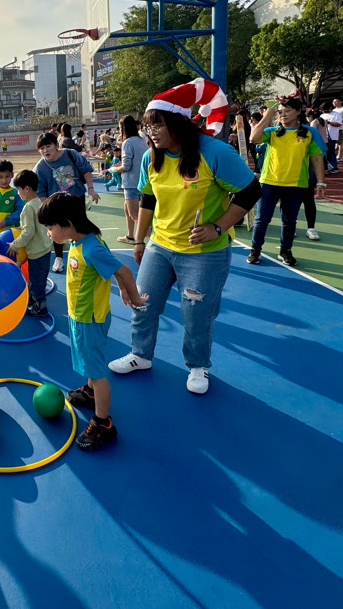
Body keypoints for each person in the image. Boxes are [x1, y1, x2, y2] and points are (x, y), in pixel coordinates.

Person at [107, 81, 261, 394]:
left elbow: (251, 191)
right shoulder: (152, 158)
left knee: (195, 314)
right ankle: (140, 355)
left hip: (205, 253)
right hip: (160, 245)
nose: (151, 132)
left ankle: (197, 366)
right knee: (142, 303)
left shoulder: (215, 152)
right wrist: (140, 240)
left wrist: (217, 227)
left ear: (178, 122)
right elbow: (148, 198)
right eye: (147, 126)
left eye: (157, 125)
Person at [37, 192, 147, 451]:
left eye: (50, 227)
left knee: (97, 373)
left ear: (67, 223)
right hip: (80, 316)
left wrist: (134, 298)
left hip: (90, 320)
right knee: (88, 362)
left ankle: (103, 422)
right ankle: (89, 393)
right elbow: (112, 269)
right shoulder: (80, 241)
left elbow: (124, 270)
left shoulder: (91, 247)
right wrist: (121, 289)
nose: (48, 233)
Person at [247, 97, 327, 267]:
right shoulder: (272, 132)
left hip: (296, 185)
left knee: (289, 221)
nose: (283, 114)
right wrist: (267, 115)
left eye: (288, 110)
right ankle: (255, 250)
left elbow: (317, 157)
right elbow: (253, 138)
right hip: (269, 183)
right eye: (280, 111)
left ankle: (285, 251)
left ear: (298, 112)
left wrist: (321, 182)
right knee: (261, 220)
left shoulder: (309, 133)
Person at [33, 132, 100, 273]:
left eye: (48, 146)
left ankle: (88, 253)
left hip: (76, 198)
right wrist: (47, 207)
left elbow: (86, 169)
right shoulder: (40, 167)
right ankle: (59, 258)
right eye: (42, 148)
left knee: (80, 226)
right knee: (58, 230)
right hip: (57, 204)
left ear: (56, 145)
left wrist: (91, 189)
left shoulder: (71, 154)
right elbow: (40, 190)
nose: (45, 150)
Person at [8, 169, 53, 316]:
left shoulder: (28, 207)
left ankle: (40, 307)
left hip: (37, 252)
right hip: (45, 248)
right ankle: (33, 299)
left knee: (35, 281)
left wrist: (14, 245)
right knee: (40, 278)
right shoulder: (39, 202)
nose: (18, 193)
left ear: (26, 189)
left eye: (18, 189)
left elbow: (28, 232)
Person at [111, 114, 146, 245]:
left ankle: (155, 238)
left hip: (131, 183)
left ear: (123, 128)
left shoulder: (127, 142)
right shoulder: (141, 141)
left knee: (135, 215)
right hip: (141, 181)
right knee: (128, 210)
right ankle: (130, 236)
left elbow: (126, 167)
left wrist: (114, 170)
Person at [322, 98, 343, 166]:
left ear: (340, 102)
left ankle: (340, 156)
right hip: (326, 133)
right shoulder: (331, 111)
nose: (334, 103)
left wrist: (335, 121)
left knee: (340, 142)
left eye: (336, 101)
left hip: (339, 129)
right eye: (333, 102)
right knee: (332, 146)